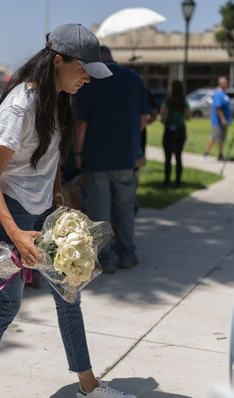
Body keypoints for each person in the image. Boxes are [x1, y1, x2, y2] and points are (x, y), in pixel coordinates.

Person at [0, 24, 137, 398]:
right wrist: (15, 234)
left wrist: (59, 207)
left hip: (38, 212)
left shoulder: (60, 98)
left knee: (69, 295)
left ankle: (87, 387)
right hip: (7, 215)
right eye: (83, 69)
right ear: (59, 60)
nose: (87, 78)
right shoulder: (20, 107)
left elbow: (49, 161)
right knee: (6, 303)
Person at [74, 45, 149, 273]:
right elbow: (144, 118)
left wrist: (77, 153)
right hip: (126, 156)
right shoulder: (132, 79)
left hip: (97, 156)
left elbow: (81, 123)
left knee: (100, 210)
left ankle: (105, 259)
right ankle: (127, 253)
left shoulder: (91, 79)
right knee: (125, 208)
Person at [161, 80, 190, 187]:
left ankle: (167, 181)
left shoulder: (168, 101)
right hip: (181, 130)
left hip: (169, 130)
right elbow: (188, 117)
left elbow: (163, 117)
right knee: (178, 156)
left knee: (168, 158)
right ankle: (178, 181)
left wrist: (167, 120)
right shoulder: (184, 101)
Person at [203, 76, 232, 161]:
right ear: (220, 83)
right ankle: (206, 153)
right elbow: (218, 107)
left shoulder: (224, 94)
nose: (227, 84)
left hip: (225, 121)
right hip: (218, 121)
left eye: (227, 82)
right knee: (214, 137)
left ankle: (220, 154)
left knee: (221, 138)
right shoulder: (218, 94)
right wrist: (222, 119)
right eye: (225, 82)